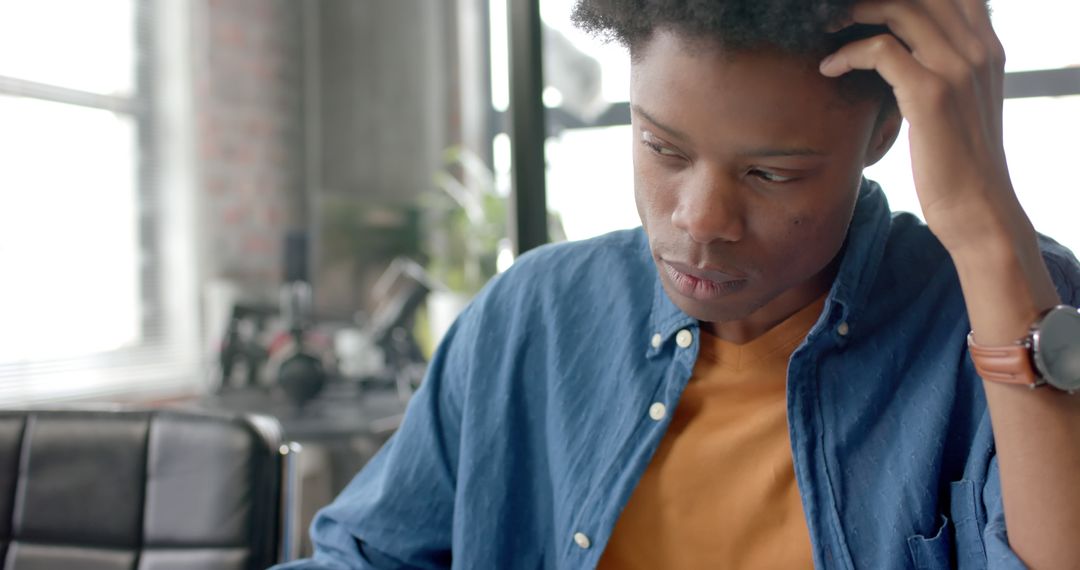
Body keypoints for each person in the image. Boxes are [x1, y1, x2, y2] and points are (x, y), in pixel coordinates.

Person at [276, 0, 1080, 568]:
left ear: (884, 133)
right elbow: (367, 556)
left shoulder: (1009, 301)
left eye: (771, 173)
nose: (700, 222)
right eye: (662, 149)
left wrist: (979, 216)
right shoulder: (535, 315)